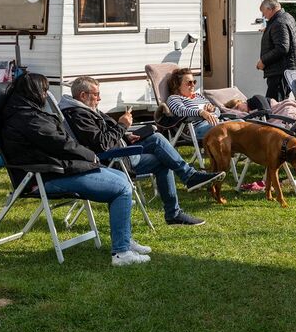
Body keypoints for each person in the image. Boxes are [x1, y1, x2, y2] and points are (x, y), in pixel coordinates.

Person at [1, 72, 151, 266]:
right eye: (44, 90)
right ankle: (121, 253)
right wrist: (90, 155)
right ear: (33, 92)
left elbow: (60, 142)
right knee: (121, 188)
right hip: (43, 177)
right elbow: (60, 144)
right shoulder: (27, 118)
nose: (46, 95)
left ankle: (125, 239)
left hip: (53, 170)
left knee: (122, 179)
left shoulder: (26, 112)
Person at [60, 76, 226, 226]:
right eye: (96, 94)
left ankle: (177, 207)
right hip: (111, 160)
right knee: (157, 141)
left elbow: (104, 138)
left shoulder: (85, 111)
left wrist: (126, 135)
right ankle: (187, 183)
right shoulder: (78, 115)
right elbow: (102, 144)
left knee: (159, 147)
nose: (100, 98)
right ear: (83, 95)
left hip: (120, 150)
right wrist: (122, 125)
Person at [256, 0, 296, 101]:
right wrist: (269, 30)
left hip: (280, 73)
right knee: (280, 103)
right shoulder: (287, 17)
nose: (264, 16)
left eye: (264, 12)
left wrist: (263, 61)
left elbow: (282, 48)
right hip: (286, 71)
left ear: (270, 9)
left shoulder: (278, 23)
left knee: (274, 105)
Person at [166, 68, 222, 139]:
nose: (193, 85)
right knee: (228, 129)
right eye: (189, 82)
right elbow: (181, 111)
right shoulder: (174, 98)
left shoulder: (199, 96)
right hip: (197, 128)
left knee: (239, 123)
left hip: (216, 122)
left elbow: (218, 112)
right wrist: (201, 112)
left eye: (194, 82)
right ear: (178, 85)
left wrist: (213, 109)